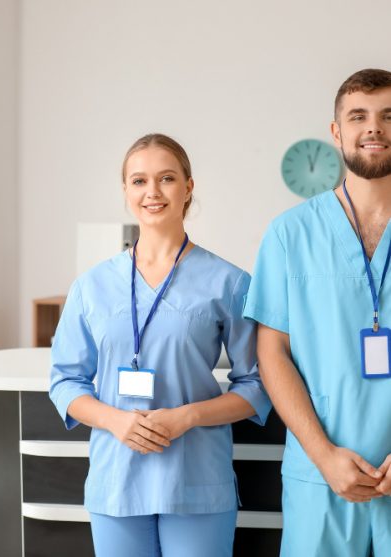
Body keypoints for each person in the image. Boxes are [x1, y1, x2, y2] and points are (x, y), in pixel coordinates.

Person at [49, 133, 270, 557]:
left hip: (195, 476)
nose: (152, 192)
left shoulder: (229, 282)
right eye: (139, 181)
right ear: (125, 191)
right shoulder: (91, 286)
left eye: (166, 178)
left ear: (188, 187)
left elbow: (257, 385)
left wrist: (187, 417)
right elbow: (65, 382)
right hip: (117, 477)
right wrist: (115, 421)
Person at [243, 68, 391, 557]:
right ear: (336, 132)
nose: (374, 128)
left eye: (388, 116)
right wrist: (324, 456)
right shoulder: (290, 235)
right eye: (359, 116)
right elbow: (272, 352)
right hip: (320, 474)